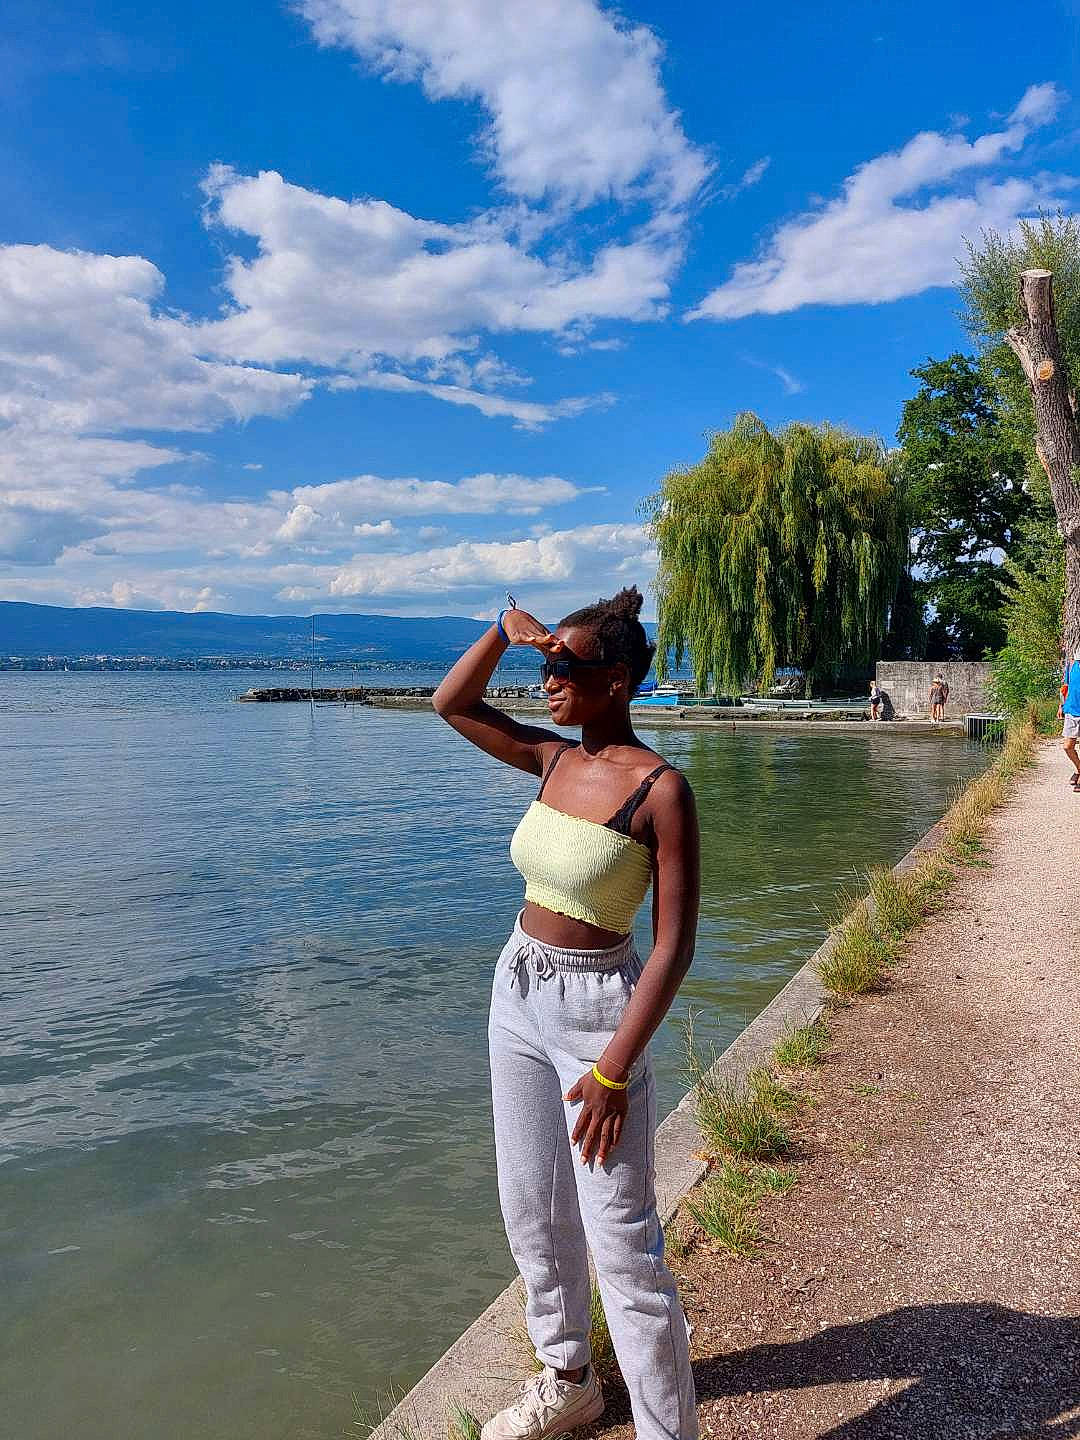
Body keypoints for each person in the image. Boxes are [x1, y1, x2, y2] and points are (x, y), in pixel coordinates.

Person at [432, 586, 700, 1440]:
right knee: (532, 1205)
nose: (546, 679)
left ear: (617, 679)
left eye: (563, 666)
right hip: (517, 989)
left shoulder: (660, 790)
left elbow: (671, 948)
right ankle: (570, 1378)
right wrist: (505, 634)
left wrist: (616, 1065)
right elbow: (452, 702)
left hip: (597, 1012)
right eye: (543, 665)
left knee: (623, 1244)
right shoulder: (553, 761)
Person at [1059, 647, 1080, 790]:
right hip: (1072, 710)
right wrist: (1061, 706)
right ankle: (1079, 769)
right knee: (1068, 746)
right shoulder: (1071, 664)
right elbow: (1065, 687)